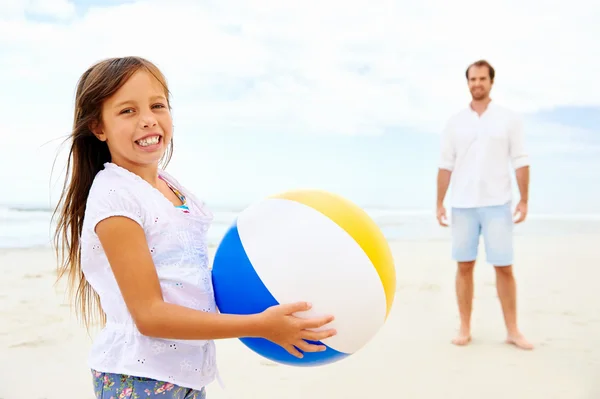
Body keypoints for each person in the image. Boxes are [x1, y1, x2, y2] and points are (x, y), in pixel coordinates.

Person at [52, 56, 337, 398]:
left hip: (186, 375)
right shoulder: (116, 197)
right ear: (99, 128)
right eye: (127, 111)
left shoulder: (172, 189)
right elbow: (150, 316)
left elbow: (191, 283)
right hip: (140, 378)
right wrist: (260, 325)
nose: (147, 120)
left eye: (157, 105)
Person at [435, 59, 533, 350]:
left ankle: (513, 330)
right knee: (464, 266)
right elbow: (445, 164)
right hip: (463, 205)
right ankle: (464, 327)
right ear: (467, 83)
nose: (477, 84)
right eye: (472, 79)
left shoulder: (508, 119)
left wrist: (524, 199)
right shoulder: (455, 122)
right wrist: (439, 202)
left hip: (497, 204)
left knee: (504, 267)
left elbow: (521, 160)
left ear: (491, 82)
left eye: (482, 79)